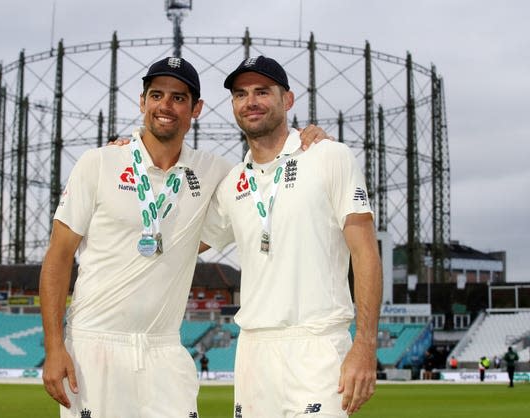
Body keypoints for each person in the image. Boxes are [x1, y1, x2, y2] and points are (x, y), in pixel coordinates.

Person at [39, 56, 330, 418]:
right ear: (142, 102)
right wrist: (54, 346)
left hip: (164, 351)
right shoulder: (98, 163)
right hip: (94, 346)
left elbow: (262, 178)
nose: (166, 105)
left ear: (197, 109)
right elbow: (58, 255)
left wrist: (308, 142)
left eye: (178, 98)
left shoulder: (215, 173)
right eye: (157, 95)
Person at [201, 56, 383, 417]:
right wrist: (134, 156)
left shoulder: (329, 156)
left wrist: (365, 344)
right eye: (240, 94)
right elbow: (178, 246)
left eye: (262, 91)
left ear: (288, 100)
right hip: (254, 351)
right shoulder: (233, 181)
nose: (250, 101)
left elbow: (365, 253)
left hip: (316, 345)